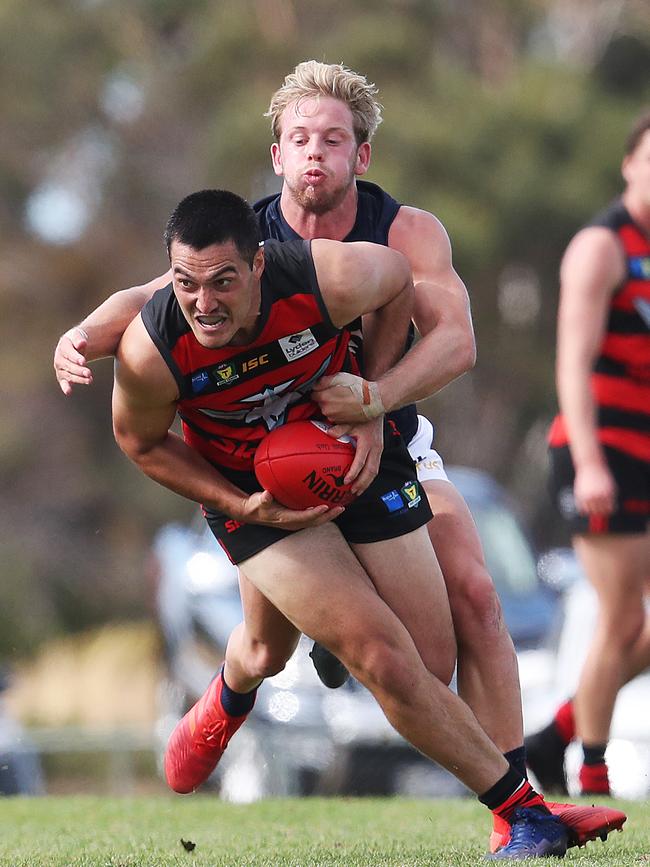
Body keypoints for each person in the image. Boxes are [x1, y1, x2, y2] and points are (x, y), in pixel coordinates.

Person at [53, 62, 625, 854]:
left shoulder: (396, 235)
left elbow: (455, 339)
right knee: (291, 645)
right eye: (298, 139)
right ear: (276, 155)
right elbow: (149, 309)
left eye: (332, 139)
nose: (314, 153)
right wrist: (79, 334)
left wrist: (375, 402)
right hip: (264, 463)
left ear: (362, 156)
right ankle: (237, 686)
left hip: (380, 433)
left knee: (468, 610)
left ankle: (511, 810)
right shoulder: (239, 247)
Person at [115, 187, 576, 860]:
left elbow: (396, 285)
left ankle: (317, 636)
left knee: (429, 660)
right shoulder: (153, 346)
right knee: (365, 653)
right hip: (254, 494)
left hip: (343, 447)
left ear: (260, 266)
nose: (204, 304)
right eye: (187, 283)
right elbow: (140, 439)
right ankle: (525, 813)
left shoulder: (323, 273)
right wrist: (238, 504)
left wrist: (373, 402)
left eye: (223, 282)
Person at [526, 111, 650, 797]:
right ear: (629, 164)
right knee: (624, 618)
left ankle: (556, 734)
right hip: (599, 451)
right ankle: (592, 772)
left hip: (648, 447)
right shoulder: (601, 247)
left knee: (632, 623)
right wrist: (594, 460)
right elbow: (571, 364)